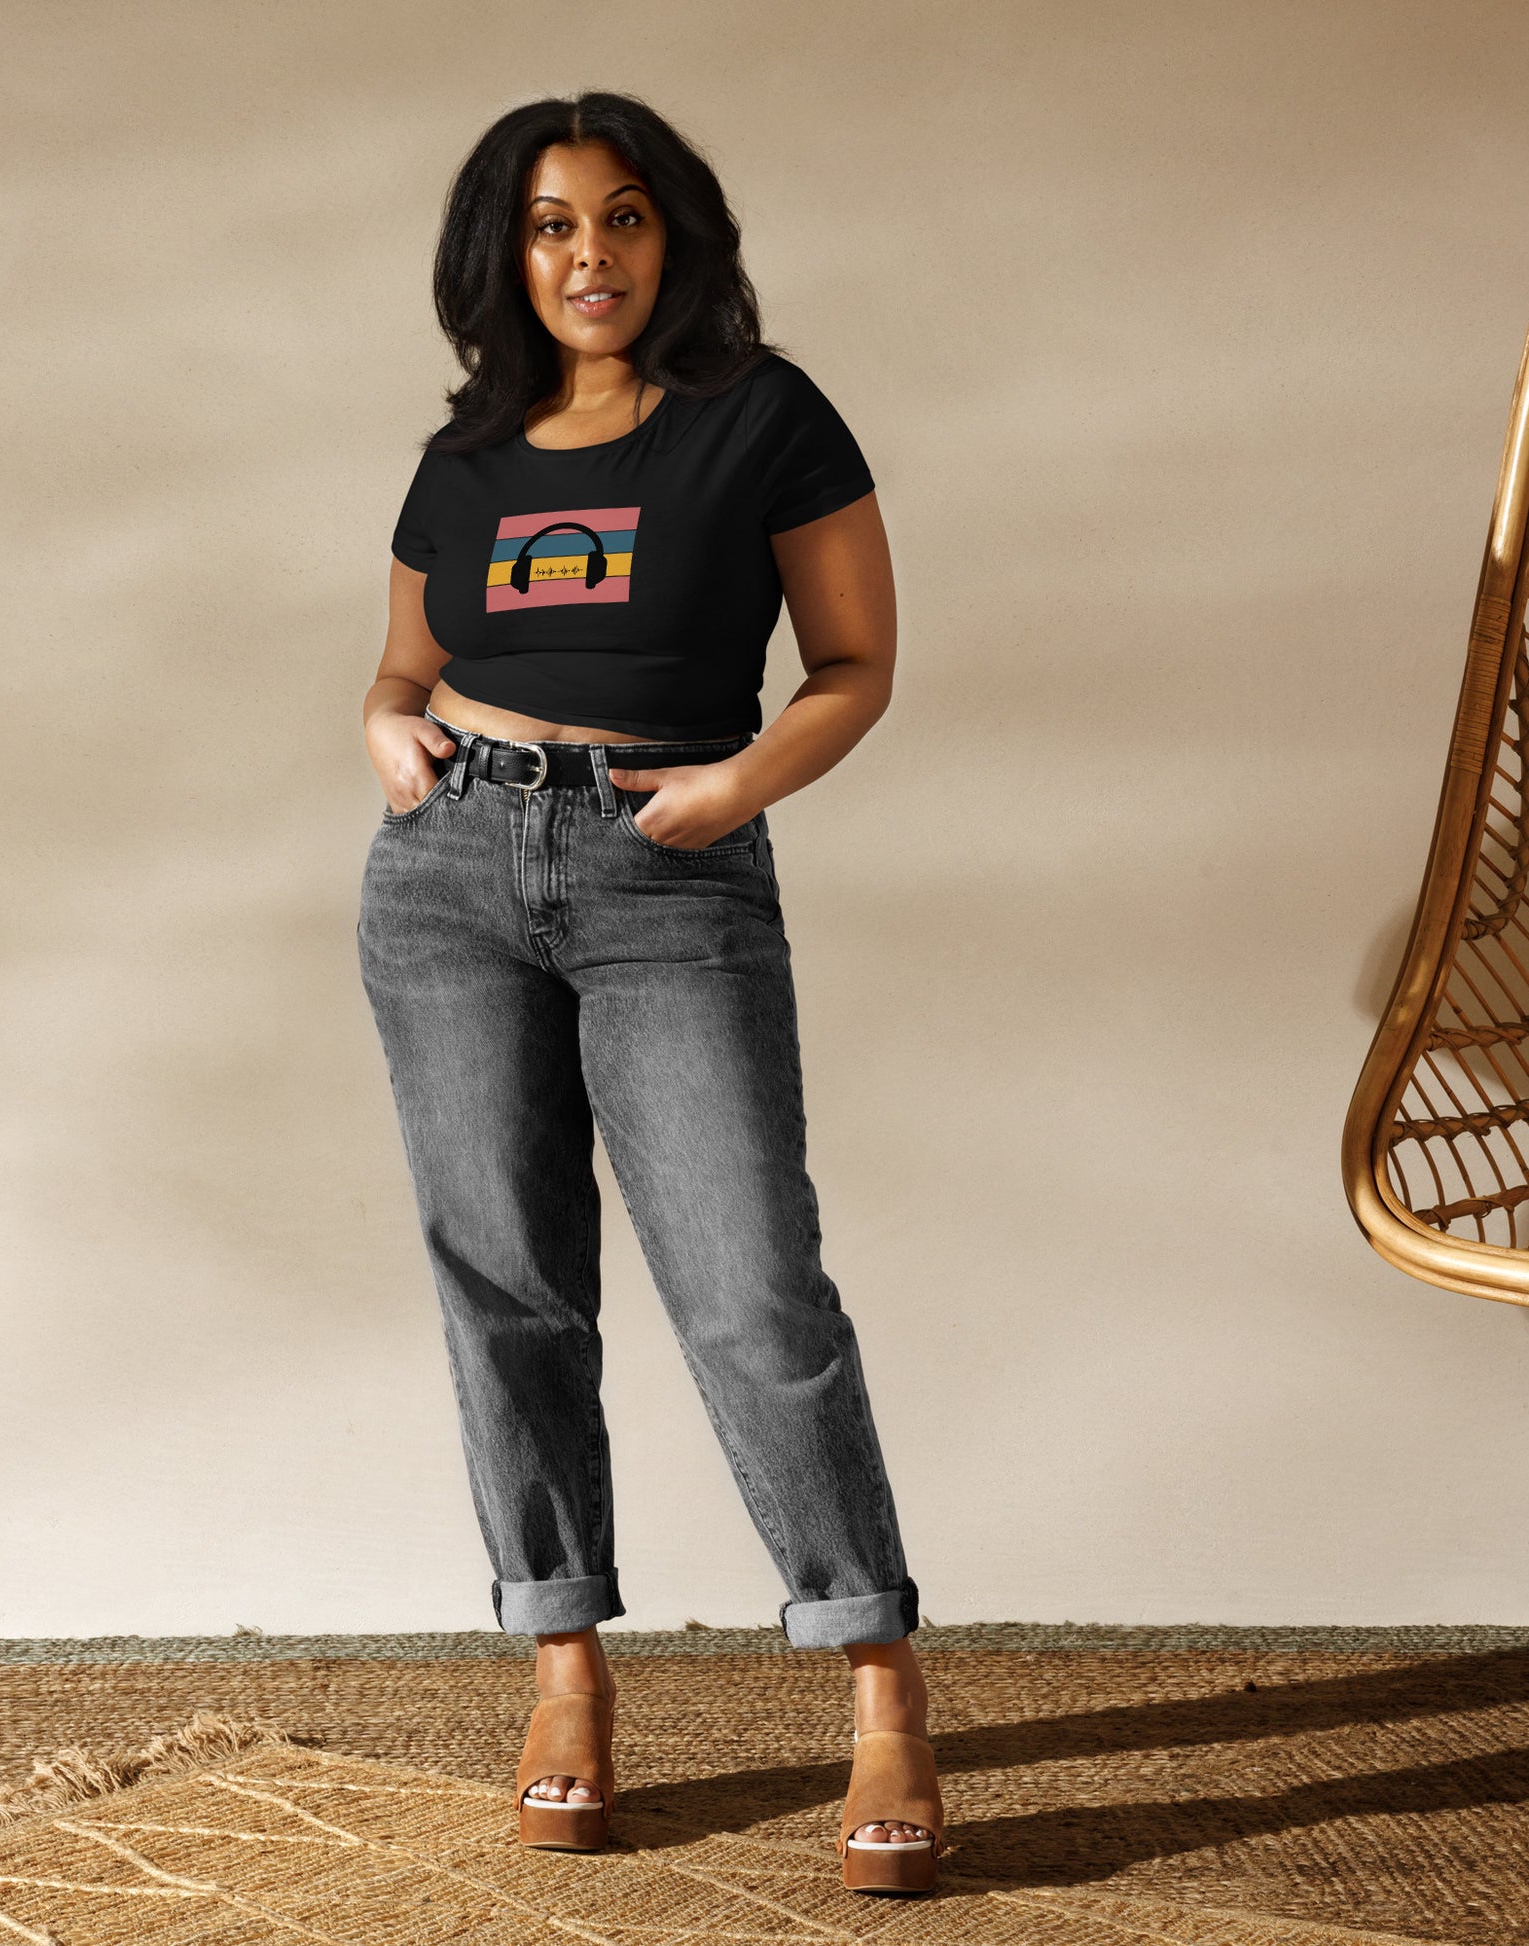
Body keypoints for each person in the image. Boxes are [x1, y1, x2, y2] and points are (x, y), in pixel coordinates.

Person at [357, 90, 944, 1896]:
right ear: (503, 254)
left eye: (620, 219)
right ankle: (563, 1672)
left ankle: (881, 1682)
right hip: (449, 875)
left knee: (753, 1282)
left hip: (665, 862)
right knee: (507, 1283)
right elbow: (400, 667)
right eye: (549, 226)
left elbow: (853, 659)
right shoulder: (464, 457)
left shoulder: (761, 419)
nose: (587, 256)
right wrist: (388, 733)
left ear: (671, 236)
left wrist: (738, 788)